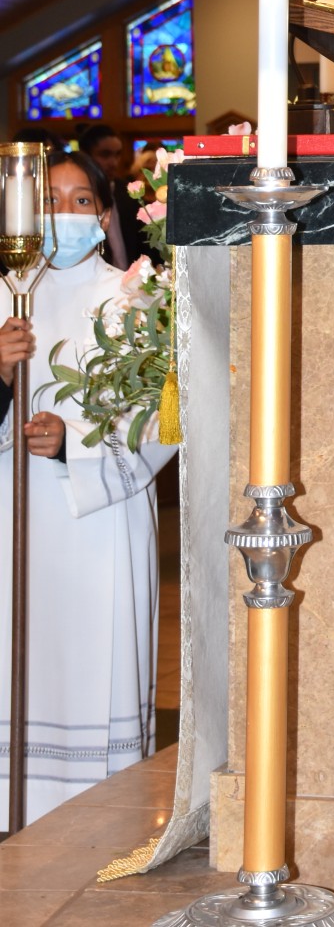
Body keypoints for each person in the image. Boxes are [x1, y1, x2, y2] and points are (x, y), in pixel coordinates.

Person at [0, 150, 176, 825]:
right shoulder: (6, 296)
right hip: (12, 510)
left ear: (105, 217)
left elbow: (166, 416)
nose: (64, 214)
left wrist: (74, 441)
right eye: (49, 200)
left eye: (81, 201)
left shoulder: (137, 296)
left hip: (98, 516)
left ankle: (99, 807)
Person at [78, 122, 159, 269]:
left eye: (117, 154)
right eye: (105, 154)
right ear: (86, 155)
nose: (113, 162)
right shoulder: (77, 197)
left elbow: (144, 243)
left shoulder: (128, 192)